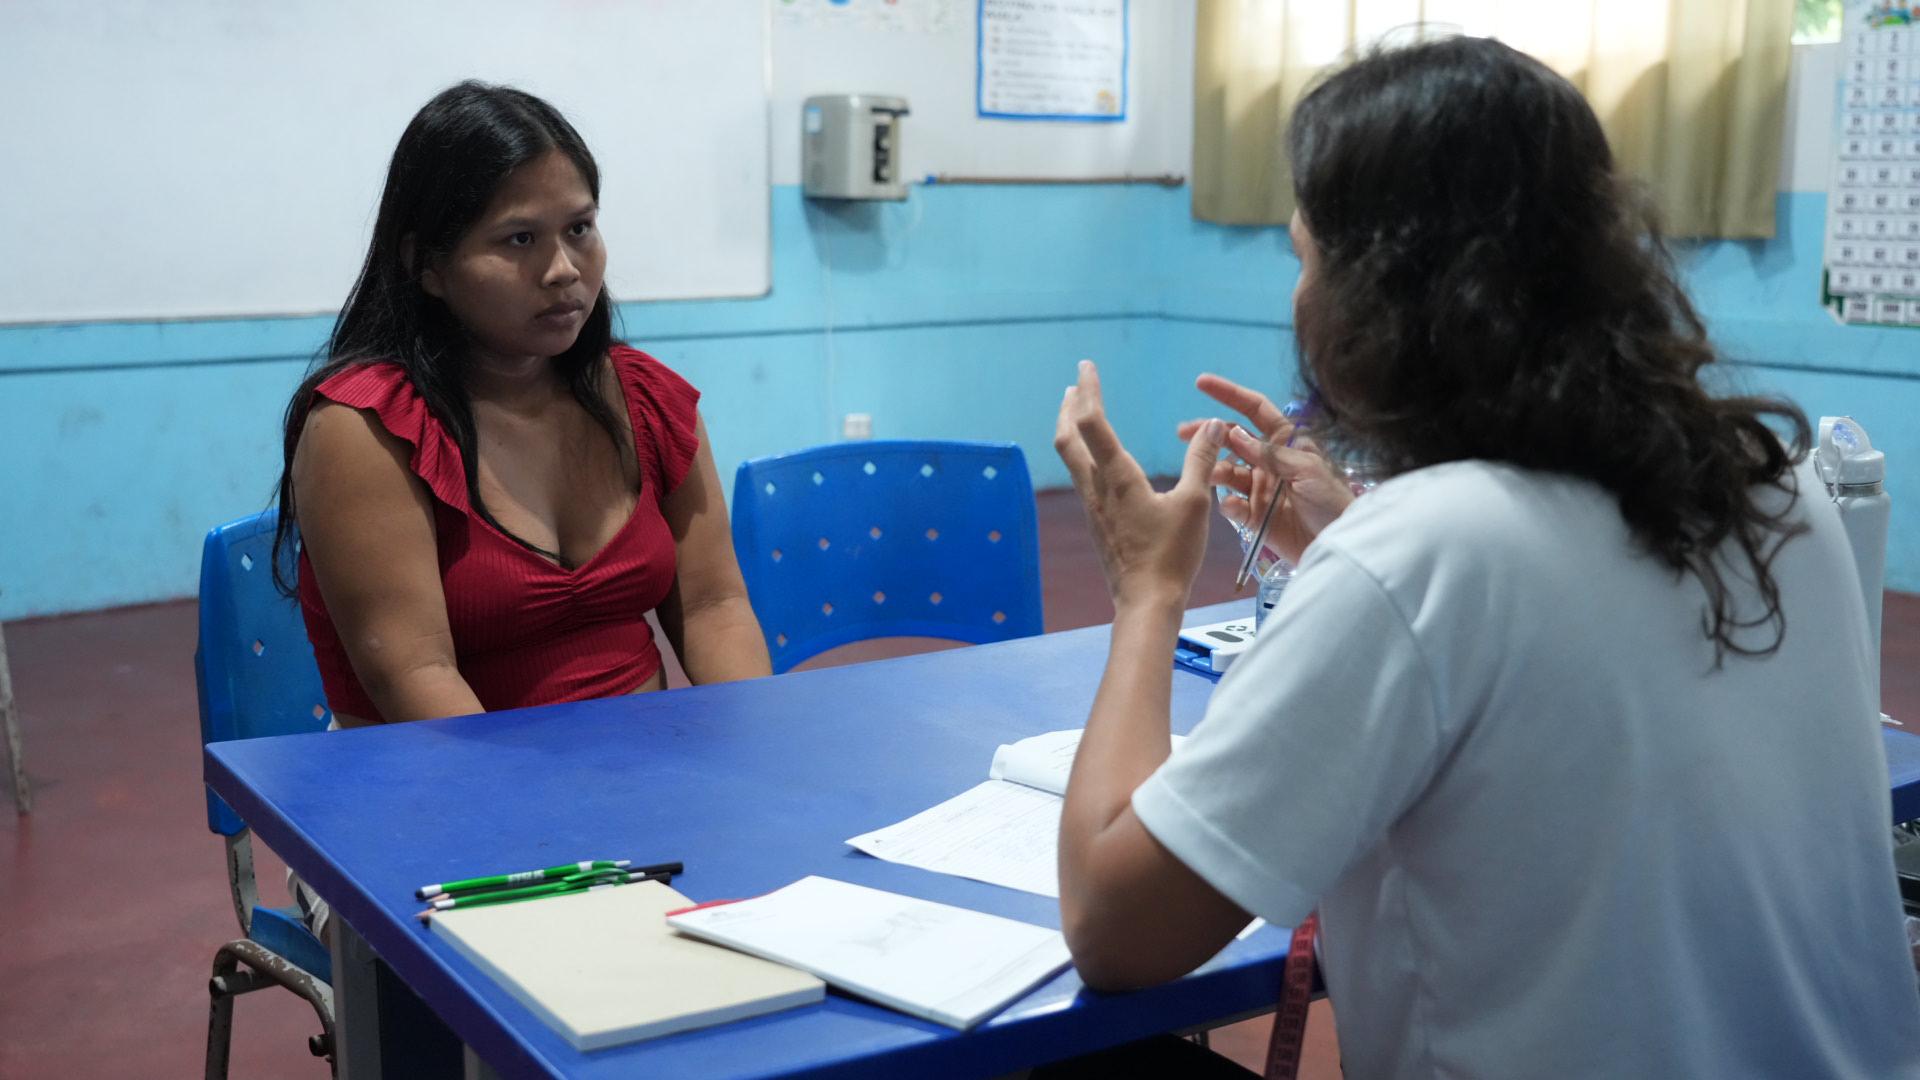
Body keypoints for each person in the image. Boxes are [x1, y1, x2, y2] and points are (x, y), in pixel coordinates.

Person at [1049, 37, 1920, 1078]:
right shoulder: (1775, 484)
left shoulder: (1422, 555)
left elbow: (1114, 929)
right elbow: (1558, 639)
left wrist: (1148, 591)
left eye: (1305, 258)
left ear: (1381, 295)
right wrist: (1351, 531)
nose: (1299, 297)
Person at [272, 81, 769, 732]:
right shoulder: (364, 430)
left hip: (645, 785)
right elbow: (416, 676)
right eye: (519, 240)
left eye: (579, 229)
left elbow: (713, 604)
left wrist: (759, 751)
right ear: (427, 266)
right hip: (450, 796)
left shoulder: (647, 400)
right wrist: (559, 827)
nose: (564, 269)